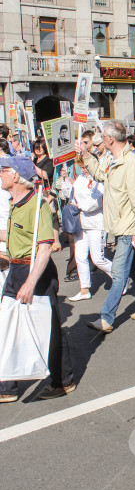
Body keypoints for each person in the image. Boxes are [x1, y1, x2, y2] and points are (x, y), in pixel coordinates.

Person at [0, 155, 75, 402]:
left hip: (36, 272)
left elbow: (44, 248)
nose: (0, 173)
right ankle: (7, 386)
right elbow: (15, 237)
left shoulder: (38, 206)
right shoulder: (15, 202)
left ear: (16, 176)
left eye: (4, 170)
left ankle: (62, 381)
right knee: (7, 326)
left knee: (49, 328)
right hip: (16, 269)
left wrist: (30, 283)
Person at [78, 120, 135, 333]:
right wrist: (86, 156)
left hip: (128, 226)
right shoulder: (112, 159)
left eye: (102, 137)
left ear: (110, 139)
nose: (99, 140)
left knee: (118, 273)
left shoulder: (130, 162)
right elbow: (100, 175)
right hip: (119, 226)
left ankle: (106, 318)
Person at [61, 164, 113, 302]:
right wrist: (65, 179)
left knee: (97, 259)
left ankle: (120, 277)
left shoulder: (99, 181)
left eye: (86, 167)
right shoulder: (79, 180)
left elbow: (96, 203)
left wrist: (80, 206)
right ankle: (84, 289)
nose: (84, 170)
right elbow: (68, 195)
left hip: (96, 224)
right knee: (80, 257)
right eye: (82, 167)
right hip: (80, 225)